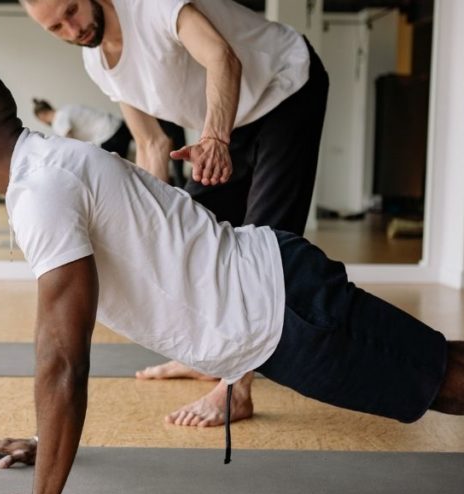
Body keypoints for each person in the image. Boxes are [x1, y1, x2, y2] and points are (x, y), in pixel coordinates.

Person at [0, 64, 464, 494]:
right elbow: (60, 352)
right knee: (453, 373)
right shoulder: (49, 169)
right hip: (278, 296)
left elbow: (62, 357)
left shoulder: (43, 190)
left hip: (285, 312)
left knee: (459, 382)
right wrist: (48, 443)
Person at [20, 0, 331, 427]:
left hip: (285, 87)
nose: (71, 30)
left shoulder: (149, 6)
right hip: (228, 121)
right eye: (55, 28)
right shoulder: (98, 63)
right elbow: (152, 144)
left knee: (266, 241)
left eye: (71, 11)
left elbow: (223, 57)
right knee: (191, 235)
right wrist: (149, 229)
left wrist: (215, 140)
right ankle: (213, 355)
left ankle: (235, 389)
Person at [32, 98, 189, 185]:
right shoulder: (68, 108)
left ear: (42, 116)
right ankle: (175, 175)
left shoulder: (59, 119)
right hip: (119, 125)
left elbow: (69, 143)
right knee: (149, 146)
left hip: (109, 136)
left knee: (114, 172)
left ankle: (160, 185)